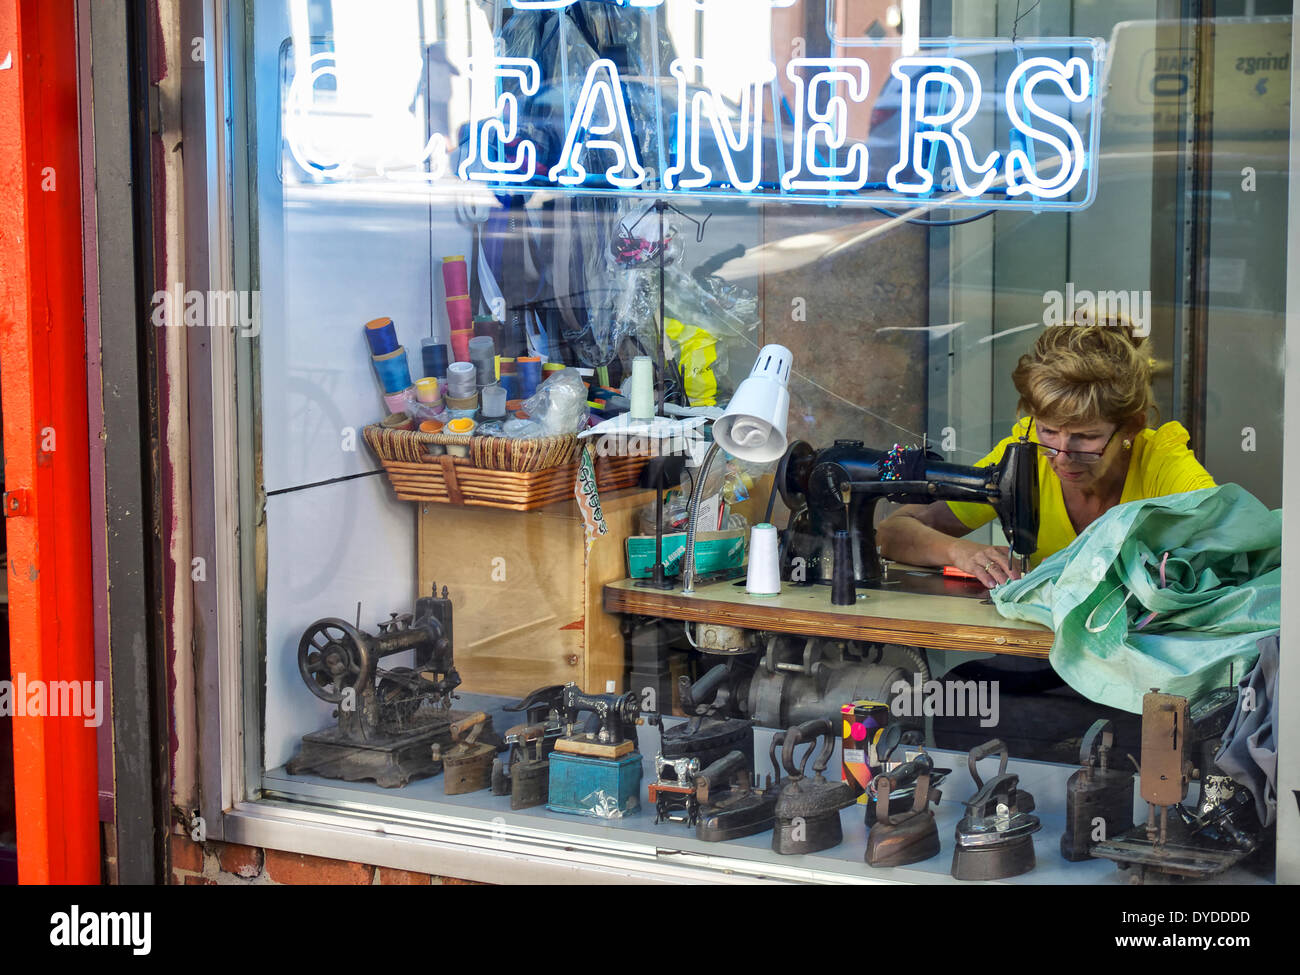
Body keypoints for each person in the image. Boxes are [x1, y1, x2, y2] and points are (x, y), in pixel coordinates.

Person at [875, 322, 1216, 589]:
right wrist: (960, 552)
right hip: (1041, 653)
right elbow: (892, 532)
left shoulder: (1161, 461)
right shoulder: (1026, 451)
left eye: (1086, 437)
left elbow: (1234, 544)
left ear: (1131, 427)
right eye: (1049, 431)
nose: (1062, 456)